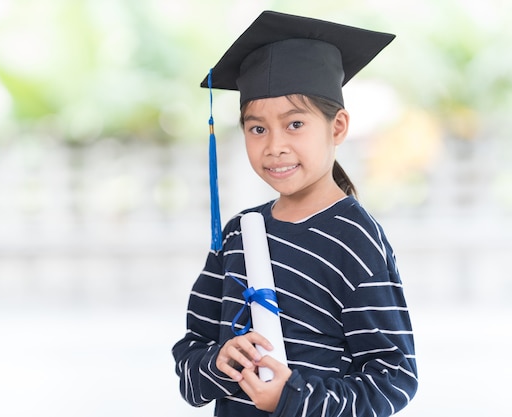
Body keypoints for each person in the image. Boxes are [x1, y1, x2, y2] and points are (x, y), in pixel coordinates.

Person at [172, 10, 418, 417]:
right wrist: (219, 362)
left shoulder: (355, 240)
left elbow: (392, 379)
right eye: (257, 129)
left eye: (295, 124)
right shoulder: (238, 236)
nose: (275, 146)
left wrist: (292, 397)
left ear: (337, 127)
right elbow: (190, 361)